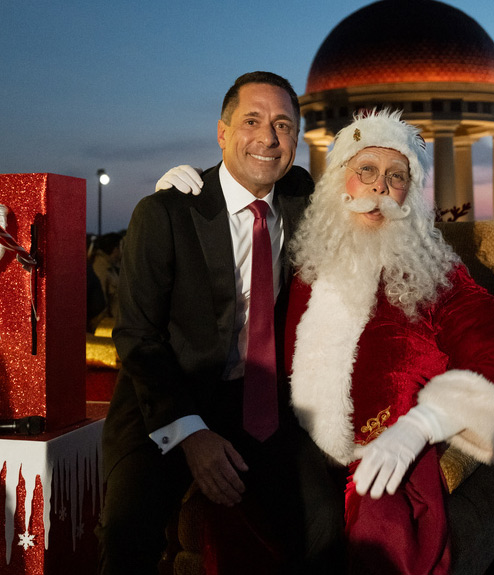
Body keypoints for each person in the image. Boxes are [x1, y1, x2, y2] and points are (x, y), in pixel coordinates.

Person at [96, 71, 344, 575]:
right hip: (167, 398)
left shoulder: (300, 197)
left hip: (258, 401)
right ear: (222, 132)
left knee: (326, 527)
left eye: (283, 125)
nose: (268, 139)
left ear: (297, 138)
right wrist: (191, 434)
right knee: (128, 531)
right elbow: (137, 338)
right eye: (251, 121)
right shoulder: (165, 212)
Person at [281, 109, 494, 575]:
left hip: (389, 452)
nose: (380, 186)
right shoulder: (305, 263)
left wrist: (419, 426)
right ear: (343, 181)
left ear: (410, 193)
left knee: (383, 532)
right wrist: (191, 190)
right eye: (367, 171)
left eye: (396, 176)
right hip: (299, 446)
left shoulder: (438, 276)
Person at [91, 232, 123, 321]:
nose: (122, 250)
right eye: (121, 246)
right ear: (114, 249)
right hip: (106, 323)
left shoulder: (112, 267)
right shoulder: (101, 269)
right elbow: (99, 304)